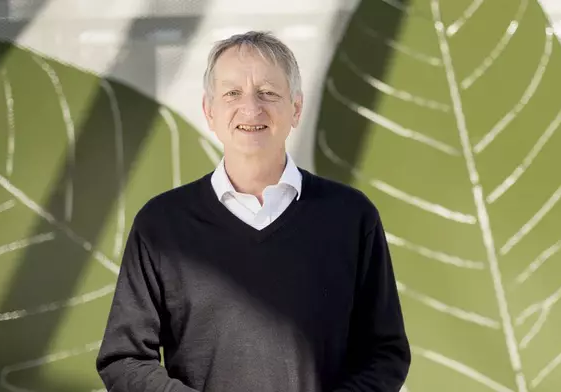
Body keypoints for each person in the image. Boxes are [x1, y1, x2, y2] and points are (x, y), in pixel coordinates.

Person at [96, 31, 411, 392]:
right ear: (209, 111)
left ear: (295, 108)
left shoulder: (352, 217)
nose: (251, 108)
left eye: (268, 93)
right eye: (232, 93)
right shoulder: (161, 225)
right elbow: (124, 359)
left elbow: (386, 353)